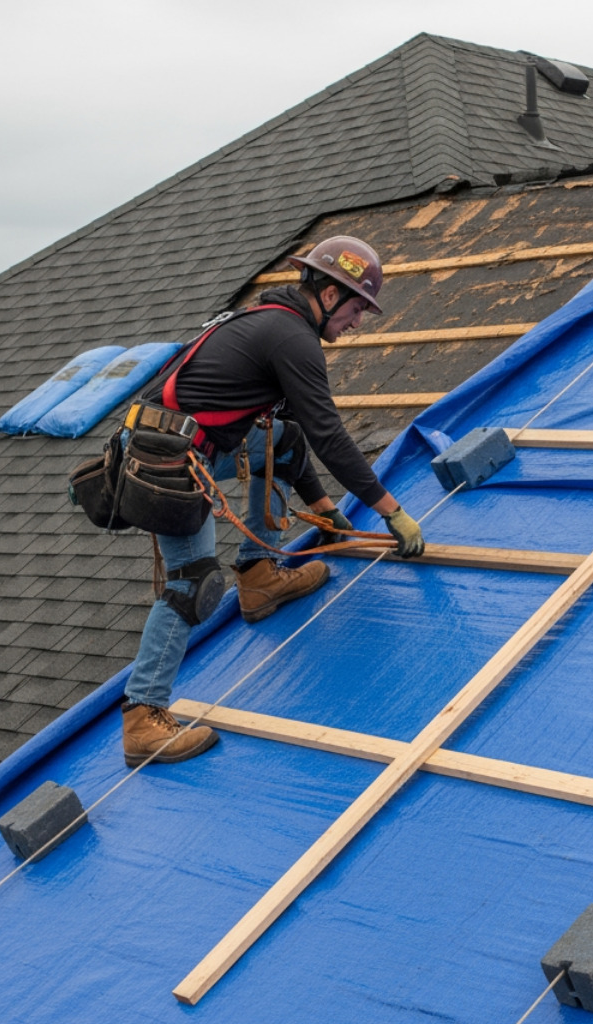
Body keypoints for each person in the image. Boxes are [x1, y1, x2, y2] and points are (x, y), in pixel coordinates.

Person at [118, 236, 424, 767]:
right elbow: (330, 433)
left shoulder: (272, 320)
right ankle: (143, 717)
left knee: (277, 438)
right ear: (328, 294)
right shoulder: (292, 337)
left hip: (181, 443)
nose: (358, 322)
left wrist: (325, 510)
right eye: (356, 308)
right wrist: (389, 509)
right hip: (166, 462)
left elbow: (298, 434)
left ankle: (259, 576)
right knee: (192, 583)